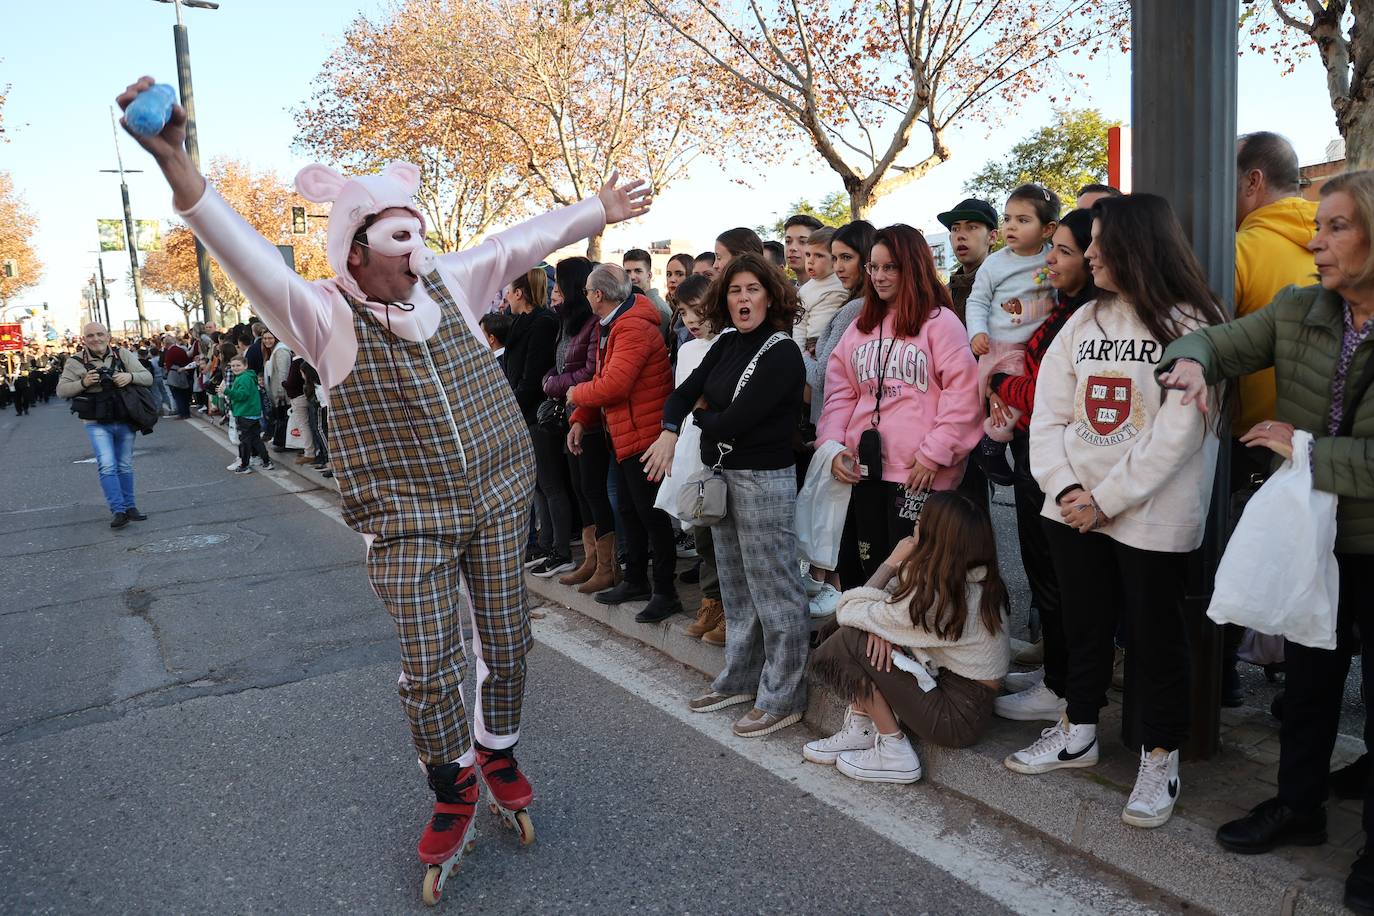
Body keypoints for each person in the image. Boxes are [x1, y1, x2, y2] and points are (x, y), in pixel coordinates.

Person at [116, 76, 652, 892]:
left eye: (416, 238)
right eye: (396, 242)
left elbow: (521, 243)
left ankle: (496, 747)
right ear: (355, 251)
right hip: (407, 520)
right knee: (431, 665)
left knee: (508, 644)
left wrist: (597, 211)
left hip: (500, 493)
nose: (414, 255)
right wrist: (177, 163)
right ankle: (451, 782)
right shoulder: (321, 315)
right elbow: (240, 248)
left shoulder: (452, 281)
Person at [1157, 169, 1374, 907]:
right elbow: (1223, 339)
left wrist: (1300, 446)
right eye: (1321, 224)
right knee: (1310, 687)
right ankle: (1299, 808)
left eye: (1337, 226)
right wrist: (1190, 360)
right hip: (1320, 536)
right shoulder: (1301, 306)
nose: (1316, 240)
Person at [1008, 193, 1227, 832]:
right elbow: (1048, 414)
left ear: (1139, 246)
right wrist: (1069, 489)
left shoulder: (1192, 323)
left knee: (1156, 639)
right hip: (1074, 506)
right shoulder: (1082, 322)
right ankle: (1078, 732)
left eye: (1101, 241)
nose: (1091, 252)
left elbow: (1178, 435)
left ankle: (1160, 755)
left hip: (1151, 512)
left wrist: (1105, 500)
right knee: (1082, 625)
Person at [644, 252, 809, 738]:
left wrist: (703, 416)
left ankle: (783, 696)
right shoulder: (726, 344)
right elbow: (681, 394)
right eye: (735, 290)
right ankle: (740, 676)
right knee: (736, 586)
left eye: (752, 289)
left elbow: (737, 417)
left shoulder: (782, 351)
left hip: (764, 480)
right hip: (724, 477)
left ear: (771, 295)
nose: (743, 298)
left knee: (775, 590)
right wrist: (674, 427)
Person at [816, 224, 983, 589]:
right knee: (872, 574)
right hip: (864, 472)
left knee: (916, 581)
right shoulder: (860, 327)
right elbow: (840, 393)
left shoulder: (941, 323)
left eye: (889, 267)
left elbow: (964, 396)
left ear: (913, 266)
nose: (878, 276)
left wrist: (935, 453)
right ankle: (874, 645)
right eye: (873, 268)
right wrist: (832, 447)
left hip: (921, 473)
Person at [805, 492, 1010, 782]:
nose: (913, 527)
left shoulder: (943, 595)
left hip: (954, 717)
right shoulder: (971, 577)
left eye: (918, 522)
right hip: (963, 699)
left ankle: (893, 750)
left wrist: (891, 562)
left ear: (935, 537)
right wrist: (880, 626)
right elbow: (887, 601)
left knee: (849, 639)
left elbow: (848, 608)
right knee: (861, 633)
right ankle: (863, 730)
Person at [986, 209, 1098, 723]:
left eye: (1066, 251)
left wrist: (998, 386)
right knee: (1044, 571)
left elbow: (1051, 395)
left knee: (1062, 581)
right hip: (1038, 456)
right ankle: (1057, 674)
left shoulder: (1084, 318)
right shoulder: (1061, 307)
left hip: (1061, 466)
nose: (1050, 259)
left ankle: (1064, 689)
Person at [1219, 132, 1320, 705]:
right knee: (1312, 575)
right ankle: (1301, 693)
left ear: (1252, 181)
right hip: (1324, 441)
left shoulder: (1240, 248)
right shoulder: (1327, 241)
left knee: (1240, 560)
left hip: (1253, 439)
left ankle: (1221, 678)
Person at [566, 264, 679, 622]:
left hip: (644, 435)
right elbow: (604, 377)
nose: (586, 297)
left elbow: (614, 384)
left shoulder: (630, 327)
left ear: (598, 295)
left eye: (588, 291)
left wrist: (574, 392)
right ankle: (634, 579)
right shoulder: (614, 323)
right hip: (624, 433)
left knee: (652, 516)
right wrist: (581, 417)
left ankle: (665, 591)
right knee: (629, 511)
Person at [965, 184, 1062, 487]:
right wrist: (977, 332)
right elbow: (977, 300)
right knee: (989, 398)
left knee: (1016, 397)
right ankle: (989, 444)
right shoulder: (995, 263)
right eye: (1007, 219)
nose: (1011, 226)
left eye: (1023, 220)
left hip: (1029, 348)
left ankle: (993, 443)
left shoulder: (1052, 259)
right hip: (995, 344)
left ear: (1048, 229)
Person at [653, 274, 727, 645]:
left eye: (696, 309)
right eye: (683, 312)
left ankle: (729, 607)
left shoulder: (730, 343)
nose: (691, 320)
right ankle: (711, 602)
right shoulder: (686, 350)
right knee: (700, 531)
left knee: (723, 533)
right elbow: (682, 402)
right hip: (691, 449)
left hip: (722, 449)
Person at [543, 257, 618, 592]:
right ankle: (591, 560)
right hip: (571, 415)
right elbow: (556, 367)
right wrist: (554, 382)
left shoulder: (592, 322)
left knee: (593, 490)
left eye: (559, 280)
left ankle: (607, 564)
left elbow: (589, 372)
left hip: (591, 417)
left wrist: (555, 385)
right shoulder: (566, 321)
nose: (554, 288)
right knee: (579, 489)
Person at [501, 266, 569, 575]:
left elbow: (531, 378)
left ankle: (560, 549)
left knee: (550, 484)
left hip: (536, 415)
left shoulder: (542, 322)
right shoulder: (519, 323)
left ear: (519, 293)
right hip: (522, 413)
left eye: (508, 290)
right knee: (538, 486)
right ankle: (544, 544)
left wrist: (508, 410)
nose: (504, 296)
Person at [55, 322, 153, 528]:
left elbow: (148, 377)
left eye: (100, 334)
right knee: (107, 465)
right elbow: (61, 390)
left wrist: (130, 376)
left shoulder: (122, 354)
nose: (96, 339)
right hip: (96, 421)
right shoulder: (75, 362)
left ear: (108, 336)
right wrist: (84, 383)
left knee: (124, 464)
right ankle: (118, 510)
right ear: (84, 339)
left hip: (125, 417)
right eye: (90, 335)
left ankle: (130, 506)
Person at [937, 197, 999, 327]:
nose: (961, 235)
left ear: (992, 237)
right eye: (955, 229)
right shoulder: (943, 294)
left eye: (972, 227)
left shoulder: (1007, 286)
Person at [796, 227, 849, 355]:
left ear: (834, 258)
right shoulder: (805, 290)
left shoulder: (845, 280)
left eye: (819, 255)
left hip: (842, 341)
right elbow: (799, 325)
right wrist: (800, 354)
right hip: (814, 345)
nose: (810, 261)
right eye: (808, 255)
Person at [224, 354, 275, 474]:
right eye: (233, 366)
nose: (235, 368)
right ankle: (266, 462)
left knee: (245, 441)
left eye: (238, 365)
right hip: (252, 412)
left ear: (245, 365)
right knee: (256, 439)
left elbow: (242, 395)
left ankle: (244, 465)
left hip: (245, 413)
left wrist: (227, 391)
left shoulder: (242, 378)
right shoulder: (248, 376)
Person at [622, 247, 672, 331]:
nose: (632, 277)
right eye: (628, 272)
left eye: (638, 271)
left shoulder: (659, 309)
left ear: (649, 275)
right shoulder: (625, 304)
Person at [261, 329, 292, 451]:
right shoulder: (273, 351)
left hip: (282, 394)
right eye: (265, 338)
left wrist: (280, 391)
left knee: (283, 418)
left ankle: (283, 443)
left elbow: (283, 373)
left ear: (276, 338)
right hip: (276, 392)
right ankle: (281, 442)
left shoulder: (281, 351)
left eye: (270, 338)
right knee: (280, 418)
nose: (267, 341)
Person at [783, 214, 823, 282]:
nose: (793, 248)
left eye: (802, 242)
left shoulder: (834, 290)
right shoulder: (786, 290)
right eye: (788, 241)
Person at [161, 333, 193, 419]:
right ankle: (186, 413)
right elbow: (187, 360)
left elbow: (168, 364)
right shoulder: (181, 350)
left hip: (174, 375)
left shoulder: (170, 352)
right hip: (183, 373)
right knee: (184, 395)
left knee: (177, 395)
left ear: (166, 344)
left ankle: (182, 413)